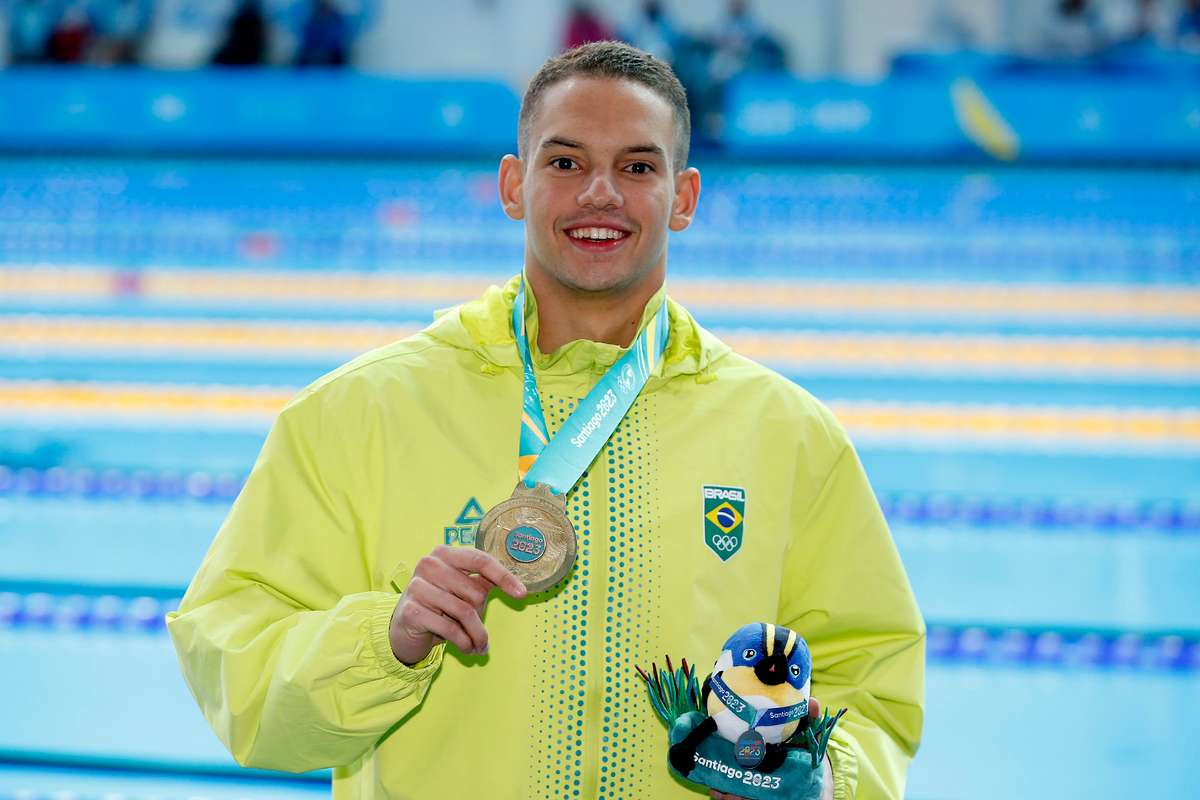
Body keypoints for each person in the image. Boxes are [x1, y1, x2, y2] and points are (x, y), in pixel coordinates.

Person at [166, 41, 924, 800]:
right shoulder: (362, 412)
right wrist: (382, 643)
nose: (601, 193)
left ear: (684, 196)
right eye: (564, 163)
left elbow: (872, 680)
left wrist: (819, 781)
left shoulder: (788, 435)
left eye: (637, 166)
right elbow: (238, 667)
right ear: (513, 184)